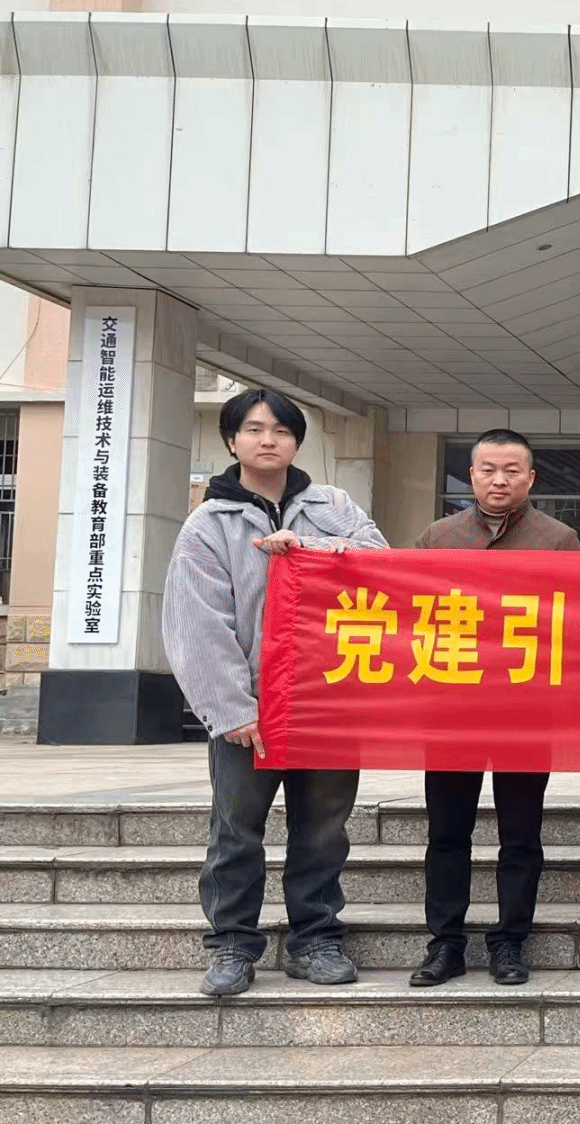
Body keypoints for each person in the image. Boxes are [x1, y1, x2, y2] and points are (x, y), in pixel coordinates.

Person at [166, 388, 389, 996]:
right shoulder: (209, 523)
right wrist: (232, 709)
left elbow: (381, 565)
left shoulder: (333, 505)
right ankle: (232, 945)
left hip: (328, 702)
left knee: (324, 829)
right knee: (236, 829)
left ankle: (314, 939)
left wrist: (307, 549)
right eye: (254, 429)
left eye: (282, 431)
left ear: (297, 442)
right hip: (253, 708)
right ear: (232, 440)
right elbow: (197, 623)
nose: (269, 440)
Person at [408, 429, 580, 988]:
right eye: (487, 470)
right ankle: (445, 944)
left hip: (526, 713)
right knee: (447, 833)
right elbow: (409, 617)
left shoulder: (559, 539)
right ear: (471, 475)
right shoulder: (438, 536)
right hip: (451, 710)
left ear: (531, 478)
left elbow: (575, 623)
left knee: (521, 835)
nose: (499, 480)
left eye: (511, 471)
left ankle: (510, 941)